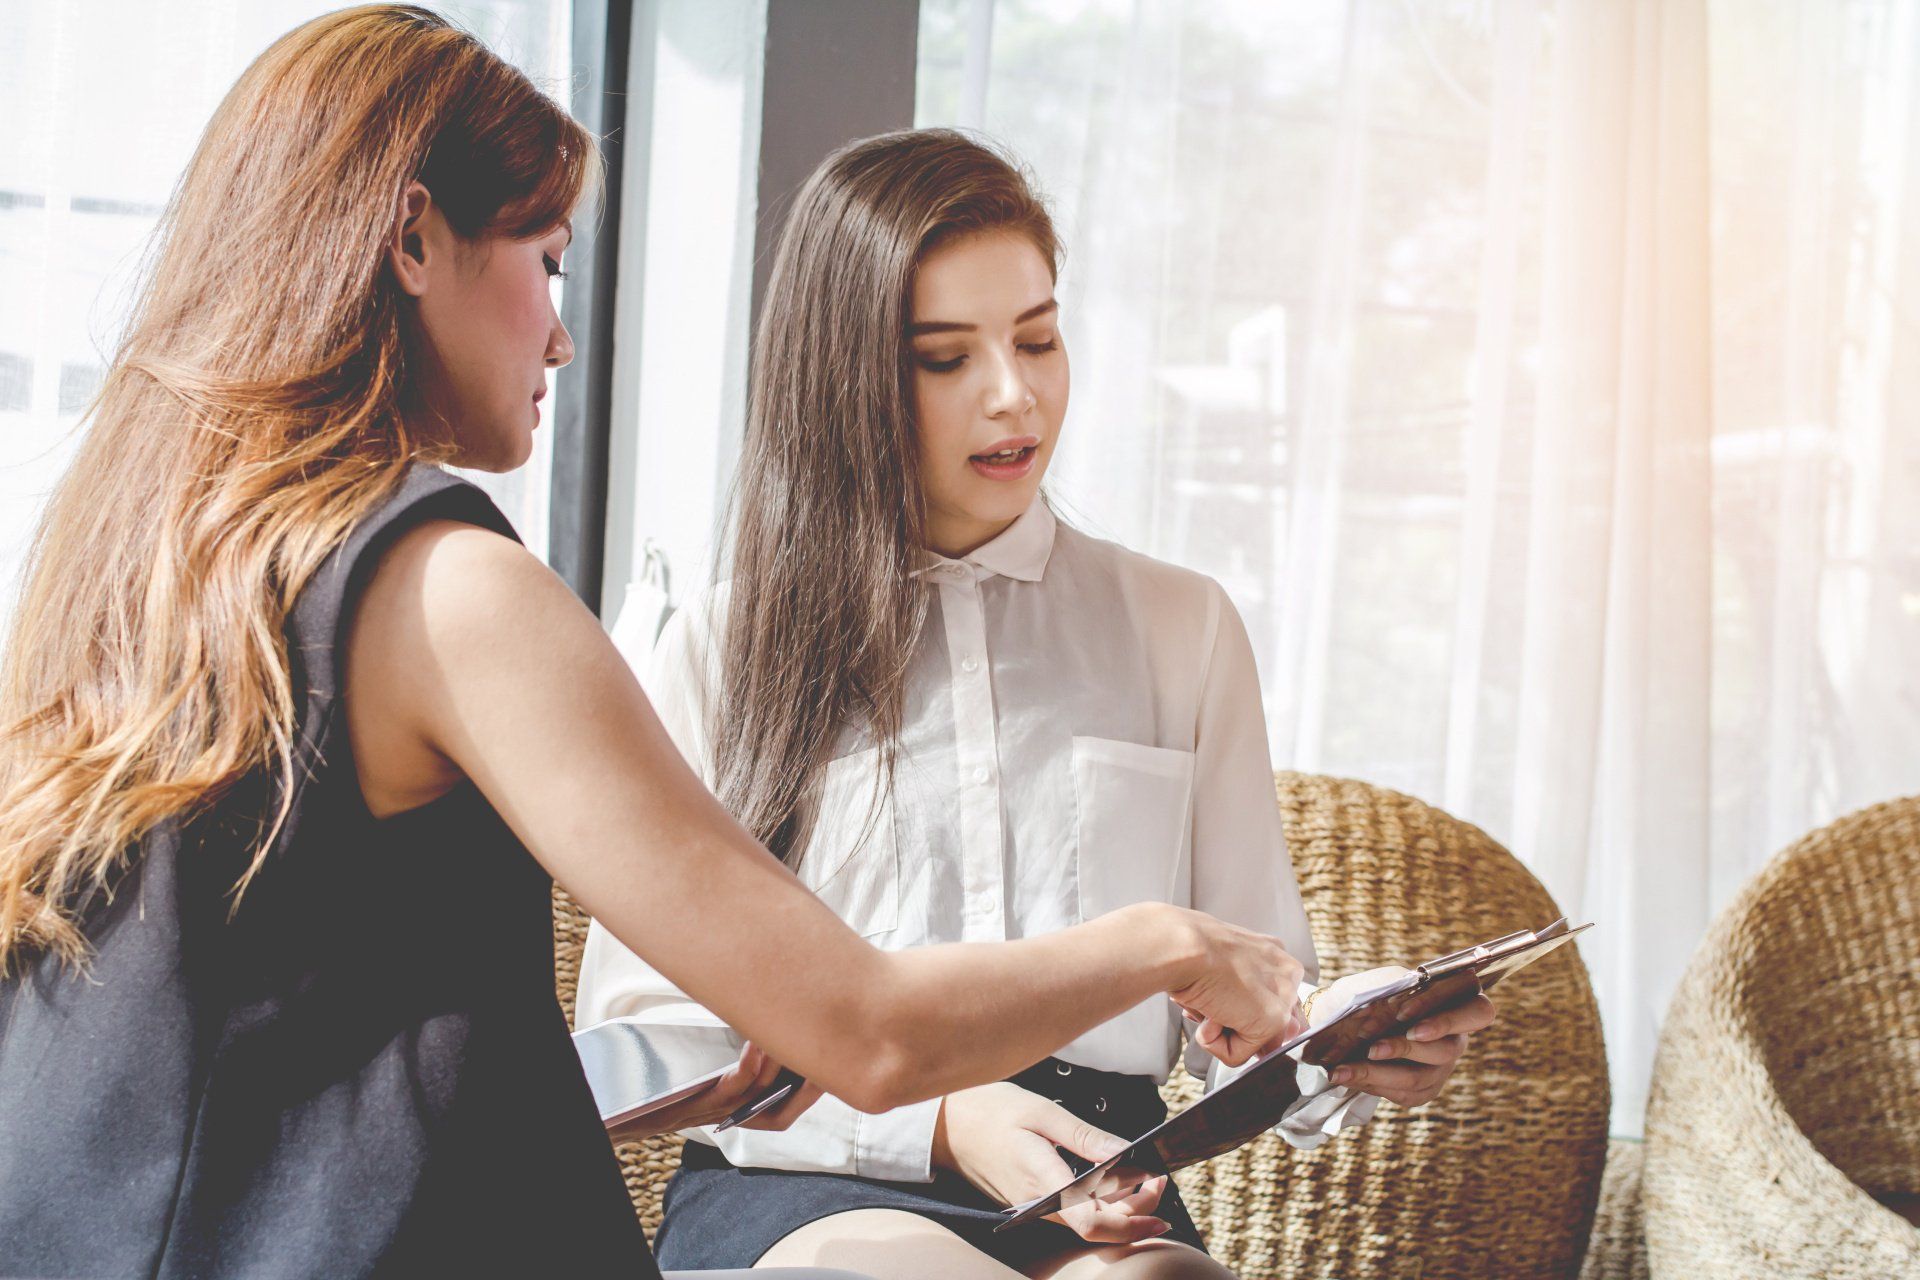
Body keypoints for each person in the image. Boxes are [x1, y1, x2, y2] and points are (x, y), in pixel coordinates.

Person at [0, 13, 1314, 1280]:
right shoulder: (451, 589)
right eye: (549, 259)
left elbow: (270, 1046)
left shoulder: (130, 567)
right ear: (412, 237)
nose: (562, 332)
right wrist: (1164, 941)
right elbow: (864, 1026)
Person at [576, 130, 1498, 1280]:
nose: (1014, 395)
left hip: (1103, 1182)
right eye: (945, 357)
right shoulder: (722, 647)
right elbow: (646, 1039)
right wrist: (943, 1120)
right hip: (807, 1187)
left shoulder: (1182, 626)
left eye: (1039, 337)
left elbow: (1250, 1006)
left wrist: (1337, 1044)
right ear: (846, 375)